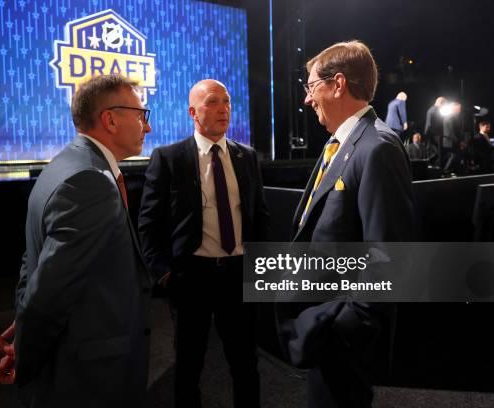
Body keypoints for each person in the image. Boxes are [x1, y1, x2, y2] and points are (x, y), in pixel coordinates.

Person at [0, 74, 153, 407]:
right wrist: (26, 354)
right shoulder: (90, 181)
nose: (147, 127)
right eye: (142, 115)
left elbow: (32, 262)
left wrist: (24, 325)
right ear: (110, 119)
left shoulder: (64, 165)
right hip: (90, 374)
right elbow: (50, 291)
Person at [275, 41, 415, 408]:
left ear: (337, 84)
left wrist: (339, 328)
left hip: (342, 339)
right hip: (325, 331)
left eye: (310, 87)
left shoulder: (377, 147)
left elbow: (389, 259)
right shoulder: (338, 143)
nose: (307, 100)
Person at [138, 79, 270, 408]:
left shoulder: (247, 156)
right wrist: (166, 276)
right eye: (213, 102)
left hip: (239, 276)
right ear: (192, 112)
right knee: (188, 367)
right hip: (191, 279)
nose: (223, 108)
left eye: (226, 101)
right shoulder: (168, 158)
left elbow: (260, 216)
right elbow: (149, 225)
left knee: (246, 365)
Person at [424, 96, 446, 167]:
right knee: (438, 151)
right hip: (434, 134)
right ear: (441, 103)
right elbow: (431, 124)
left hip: (430, 133)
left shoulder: (431, 109)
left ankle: (431, 164)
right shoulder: (435, 110)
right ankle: (434, 165)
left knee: (433, 151)